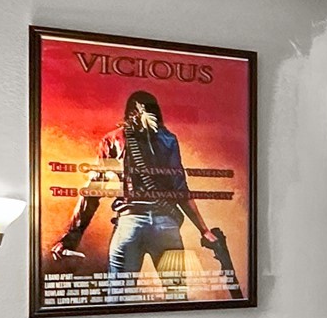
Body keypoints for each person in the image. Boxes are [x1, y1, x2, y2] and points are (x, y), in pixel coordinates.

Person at [52, 89, 217, 298]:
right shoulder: (169, 139)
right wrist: (204, 230)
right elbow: (180, 190)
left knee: (119, 298)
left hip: (130, 225)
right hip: (167, 227)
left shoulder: (112, 139)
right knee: (176, 297)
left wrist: (70, 239)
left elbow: (93, 190)